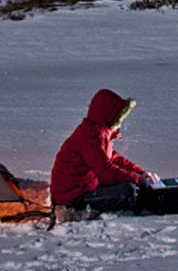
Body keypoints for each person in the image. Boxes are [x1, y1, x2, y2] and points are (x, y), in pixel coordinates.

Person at [51, 89, 159, 219]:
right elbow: (106, 172)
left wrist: (140, 173)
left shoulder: (99, 133)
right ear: (108, 113)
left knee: (129, 187)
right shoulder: (90, 136)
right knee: (128, 191)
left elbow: (114, 159)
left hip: (85, 187)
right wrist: (138, 180)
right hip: (72, 197)